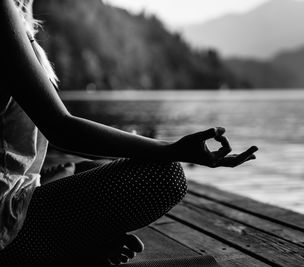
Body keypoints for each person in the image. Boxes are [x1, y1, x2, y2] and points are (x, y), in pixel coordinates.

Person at [0, 0, 258, 266]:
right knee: (166, 175)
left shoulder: (19, 9)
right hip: (6, 225)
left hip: (23, 187)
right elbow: (59, 127)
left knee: (91, 166)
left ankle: (77, 240)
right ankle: (74, 247)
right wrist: (171, 149)